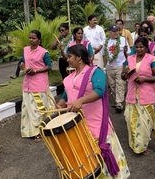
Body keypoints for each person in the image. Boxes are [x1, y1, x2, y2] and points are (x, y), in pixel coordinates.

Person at [57, 44, 130, 178]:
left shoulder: (95, 72)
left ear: (79, 58)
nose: (67, 59)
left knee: (102, 159)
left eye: (70, 56)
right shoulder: (69, 77)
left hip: (96, 122)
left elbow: (100, 90)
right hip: (76, 125)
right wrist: (61, 103)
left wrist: (81, 101)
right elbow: (67, 93)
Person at [122, 37, 155, 155]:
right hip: (131, 95)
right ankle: (135, 145)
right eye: (137, 47)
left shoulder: (152, 59)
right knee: (131, 121)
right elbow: (123, 74)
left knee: (145, 123)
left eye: (142, 47)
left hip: (146, 95)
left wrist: (144, 79)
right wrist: (125, 74)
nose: (139, 49)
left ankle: (142, 147)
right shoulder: (129, 58)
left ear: (146, 48)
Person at [20, 30, 55, 141]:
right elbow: (22, 62)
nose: (31, 40)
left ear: (39, 40)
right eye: (30, 38)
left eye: (34, 38)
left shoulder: (44, 52)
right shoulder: (25, 50)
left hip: (39, 83)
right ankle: (30, 131)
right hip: (27, 83)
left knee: (38, 108)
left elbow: (49, 66)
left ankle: (39, 132)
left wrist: (36, 71)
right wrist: (24, 68)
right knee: (28, 108)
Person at [104, 25, 130, 112]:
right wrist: (104, 67)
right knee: (112, 85)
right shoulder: (106, 41)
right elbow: (104, 55)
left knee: (120, 84)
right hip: (109, 66)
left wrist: (127, 65)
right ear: (110, 32)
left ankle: (119, 103)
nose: (115, 32)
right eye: (113, 31)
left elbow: (128, 54)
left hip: (120, 65)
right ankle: (117, 100)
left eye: (117, 31)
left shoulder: (123, 40)